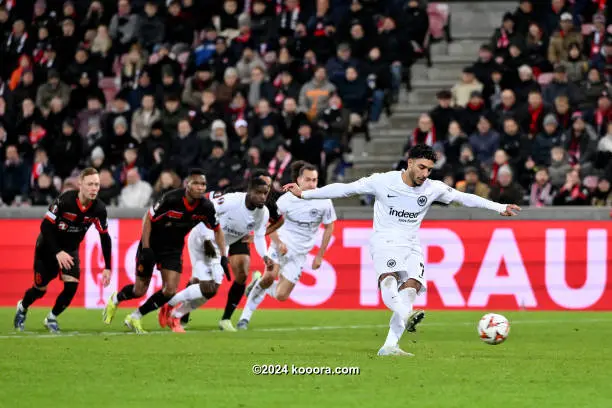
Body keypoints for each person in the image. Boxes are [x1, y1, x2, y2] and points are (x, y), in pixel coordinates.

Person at [282, 145, 520, 356]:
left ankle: (390, 345)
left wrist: (499, 207)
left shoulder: (432, 188)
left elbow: (465, 197)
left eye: (429, 169)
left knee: (412, 287)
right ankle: (406, 315)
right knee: (389, 280)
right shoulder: (383, 181)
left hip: (411, 243)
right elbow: (345, 189)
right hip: (385, 240)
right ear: (409, 163)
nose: (425, 174)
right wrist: (305, 194)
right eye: (421, 167)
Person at [102, 169, 226, 334]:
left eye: (203, 184)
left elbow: (217, 230)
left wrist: (224, 255)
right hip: (152, 244)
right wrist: (146, 248)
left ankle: (135, 316)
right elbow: (148, 219)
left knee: (170, 290)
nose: (200, 187)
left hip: (173, 249)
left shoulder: (206, 207)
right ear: (187, 184)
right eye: (196, 183)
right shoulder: (171, 198)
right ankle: (115, 299)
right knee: (139, 291)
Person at [158, 174, 274, 332]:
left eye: (265, 193)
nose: (262, 197)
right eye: (259, 193)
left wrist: (265, 256)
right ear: (250, 191)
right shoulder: (232, 200)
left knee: (210, 292)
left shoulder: (263, 213)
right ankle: (171, 307)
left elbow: (259, 236)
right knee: (209, 287)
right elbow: (206, 209)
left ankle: (175, 314)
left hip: (220, 246)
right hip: (203, 239)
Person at [237, 161, 336, 330]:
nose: (312, 184)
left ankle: (257, 283)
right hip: (280, 247)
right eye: (308, 180)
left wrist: (320, 255)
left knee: (281, 295)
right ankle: (244, 318)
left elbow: (329, 227)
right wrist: (278, 242)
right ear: (299, 180)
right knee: (269, 277)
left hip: (300, 253)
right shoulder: (286, 200)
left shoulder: (324, 201)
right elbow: (270, 223)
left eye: (315, 180)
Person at [14, 168, 112, 333]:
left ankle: (51, 318)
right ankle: (22, 307)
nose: (94, 188)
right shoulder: (65, 200)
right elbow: (45, 226)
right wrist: (57, 252)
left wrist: (108, 266)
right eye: (90, 184)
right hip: (47, 247)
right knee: (40, 289)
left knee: (72, 286)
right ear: (80, 184)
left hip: (70, 249)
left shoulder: (99, 209)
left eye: (97, 184)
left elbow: (105, 237)